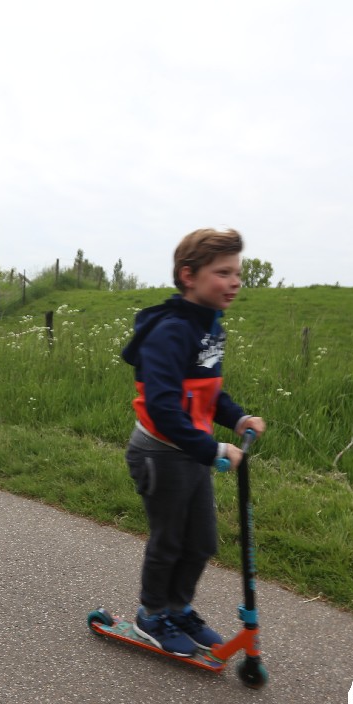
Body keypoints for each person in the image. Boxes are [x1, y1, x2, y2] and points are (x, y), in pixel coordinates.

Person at [120, 228, 267, 656]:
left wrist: (237, 418)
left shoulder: (210, 328)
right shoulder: (170, 332)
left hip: (191, 450)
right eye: (223, 273)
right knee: (169, 540)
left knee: (201, 542)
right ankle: (151, 615)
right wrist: (213, 450)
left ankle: (177, 608)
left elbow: (206, 393)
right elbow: (165, 408)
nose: (235, 282)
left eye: (237, 273)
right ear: (189, 276)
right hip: (159, 452)